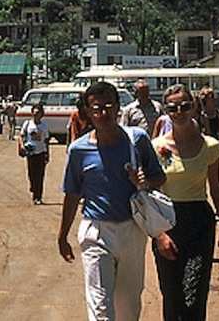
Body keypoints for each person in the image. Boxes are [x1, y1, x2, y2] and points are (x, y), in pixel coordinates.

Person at [58, 82, 166, 321]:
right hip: (96, 231)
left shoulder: (136, 140)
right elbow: (72, 194)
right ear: (87, 112)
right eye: (96, 109)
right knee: (101, 308)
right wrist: (62, 235)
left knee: (128, 307)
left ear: (118, 108)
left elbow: (160, 177)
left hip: (132, 230)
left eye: (108, 107)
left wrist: (144, 180)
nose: (103, 114)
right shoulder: (78, 150)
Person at [151, 84, 219, 320]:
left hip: (199, 222)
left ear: (194, 107)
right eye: (172, 107)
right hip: (167, 221)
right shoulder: (156, 147)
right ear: (166, 111)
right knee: (172, 292)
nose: (179, 112)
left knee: (194, 291)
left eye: (185, 106)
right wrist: (157, 233)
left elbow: (215, 186)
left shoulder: (210, 146)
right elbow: (150, 194)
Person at [17, 102, 49, 204]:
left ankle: (38, 197)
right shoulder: (27, 124)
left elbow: (46, 140)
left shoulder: (44, 125)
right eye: (34, 113)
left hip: (41, 152)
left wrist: (48, 153)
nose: (36, 115)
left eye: (38, 113)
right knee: (31, 173)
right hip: (30, 152)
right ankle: (33, 187)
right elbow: (21, 136)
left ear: (42, 114)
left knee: (40, 175)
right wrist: (22, 146)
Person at [198, 86, 219, 164]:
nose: (212, 99)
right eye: (209, 97)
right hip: (201, 144)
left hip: (214, 143)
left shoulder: (218, 114)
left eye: (212, 97)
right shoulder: (199, 115)